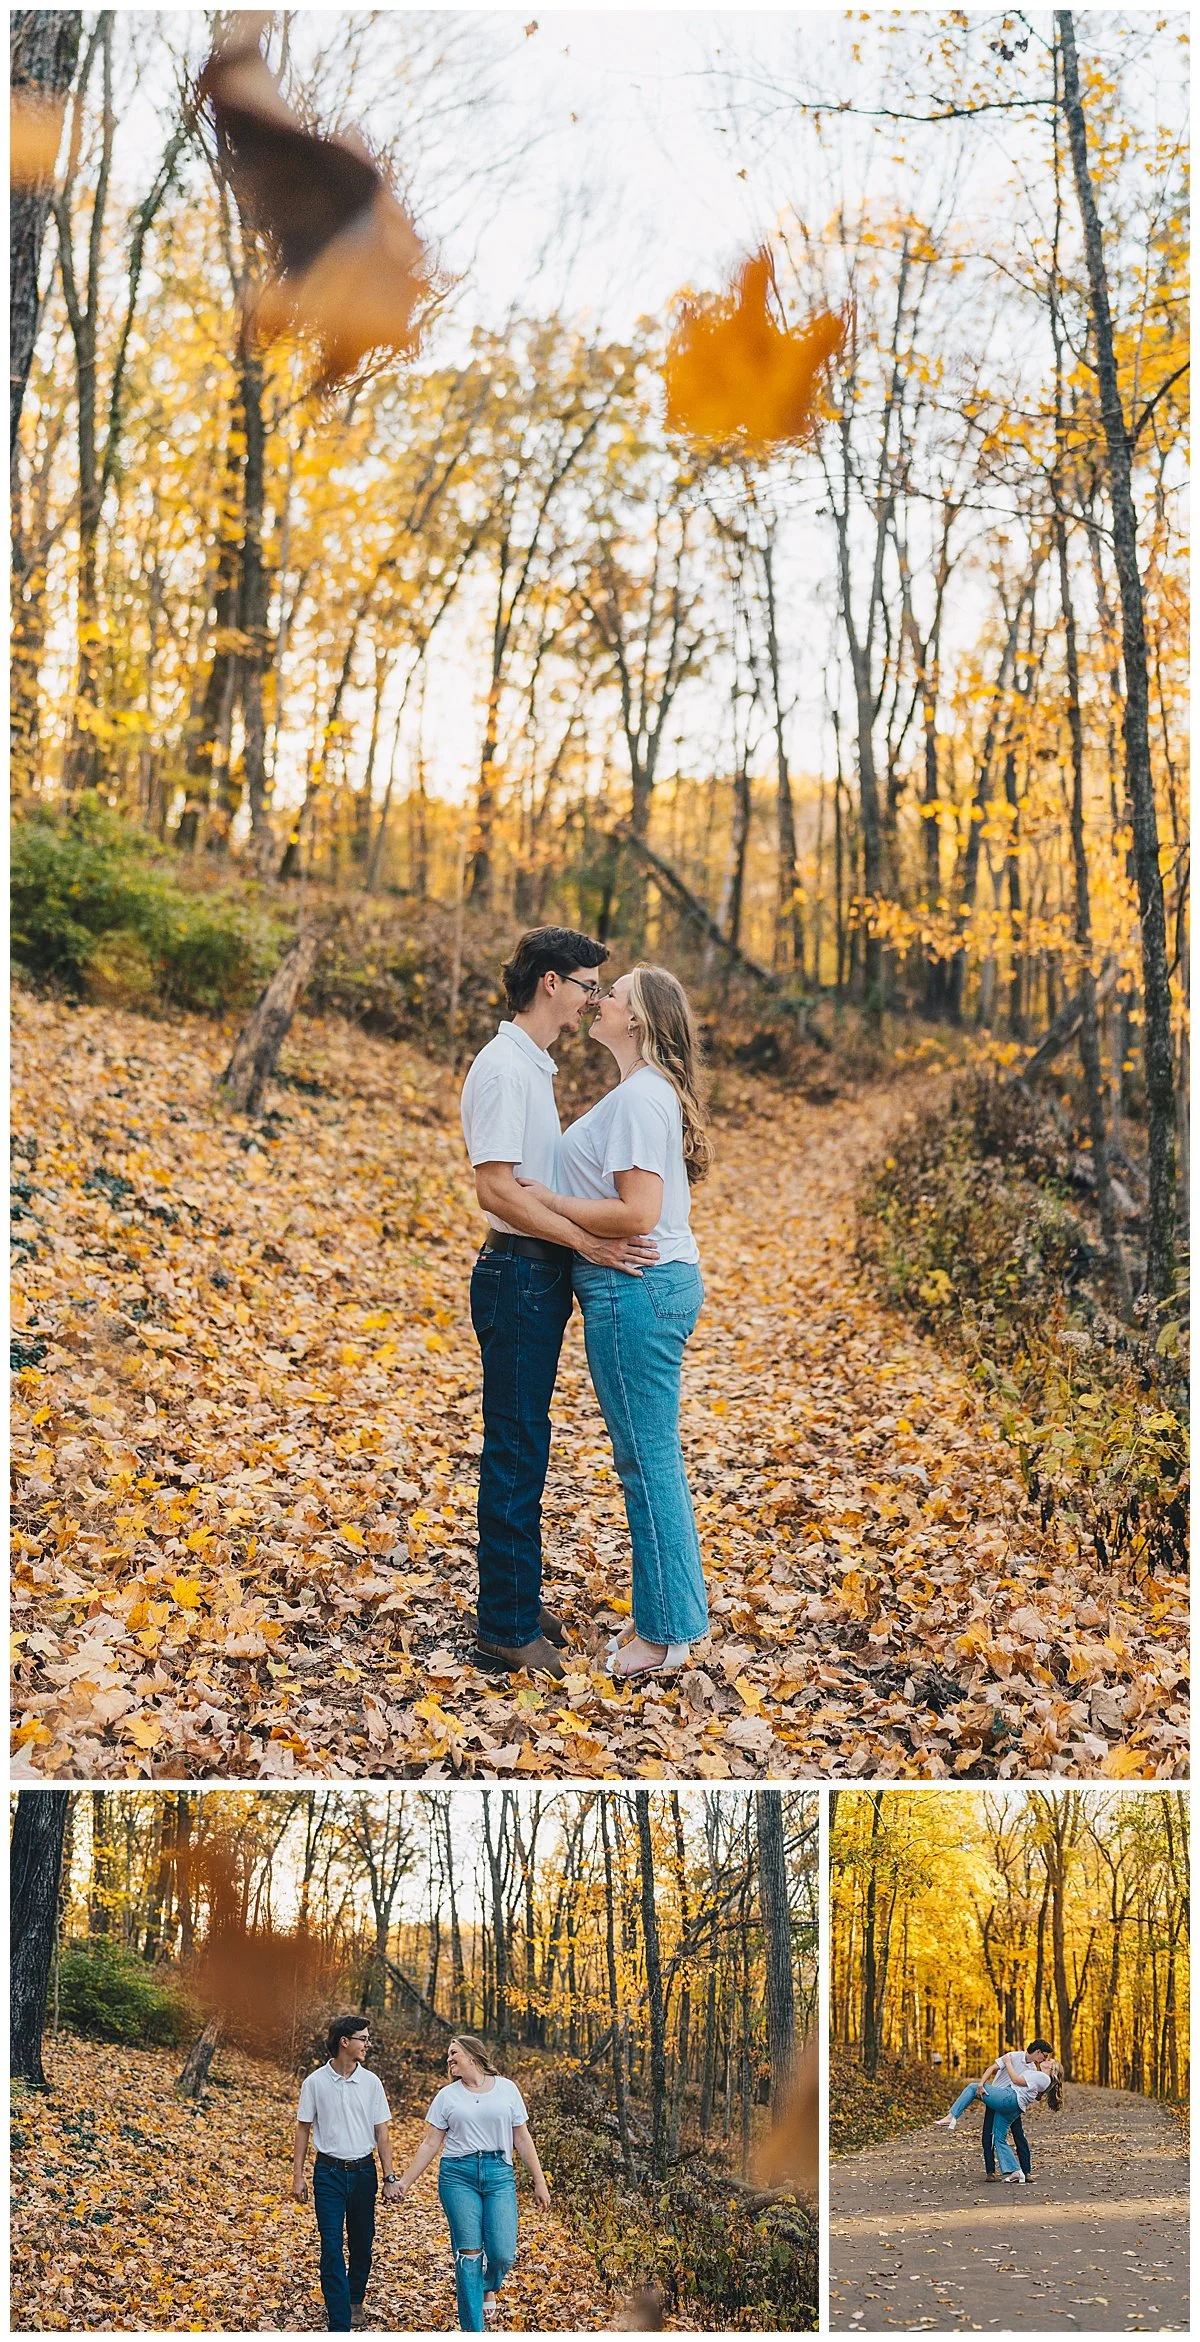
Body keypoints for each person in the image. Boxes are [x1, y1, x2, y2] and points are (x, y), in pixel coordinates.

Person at [459, 928, 658, 1683]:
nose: (590, 1001)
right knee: (514, 1448)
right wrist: (592, 1241)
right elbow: (497, 1188)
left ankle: (514, 1593)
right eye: (584, 986)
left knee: (528, 1444)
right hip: (517, 1274)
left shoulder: (528, 1066)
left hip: (536, 1273)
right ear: (550, 983)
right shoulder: (506, 1068)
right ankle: (504, 1628)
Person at [517, 965, 712, 1679]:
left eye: (614, 995)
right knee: (651, 1459)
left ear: (638, 1021)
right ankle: (674, 1622)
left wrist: (551, 1201)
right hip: (643, 1290)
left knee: (646, 1463)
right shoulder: (642, 1094)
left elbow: (637, 1214)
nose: (597, 1001)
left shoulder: (640, 1101)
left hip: (635, 1291)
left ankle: (662, 1639)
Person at [394, 2033, 550, 2333]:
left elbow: (521, 2137)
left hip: (499, 2174)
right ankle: (473, 2330)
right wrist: (405, 2182)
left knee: (503, 2252)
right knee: (469, 2254)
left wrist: (539, 2181)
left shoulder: (507, 2089)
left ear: (473, 2055)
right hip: (458, 2176)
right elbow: (430, 2143)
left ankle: (487, 2285)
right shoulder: (447, 2096)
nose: (449, 2058)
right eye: (448, 2055)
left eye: (453, 2052)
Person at [292, 2015, 401, 2332]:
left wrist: (389, 2176)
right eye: (363, 2039)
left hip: (363, 2172)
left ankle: (355, 2298)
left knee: (362, 2243)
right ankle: (339, 2320)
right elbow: (303, 2130)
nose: (368, 2044)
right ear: (344, 2041)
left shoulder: (372, 2083)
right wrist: (298, 2176)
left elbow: (383, 2134)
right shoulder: (314, 2082)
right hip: (328, 2172)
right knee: (330, 2244)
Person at [935, 2041, 1060, 2184]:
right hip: (1000, 2097)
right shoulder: (1014, 2056)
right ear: (1037, 2052)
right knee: (993, 2136)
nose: (1045, 2059)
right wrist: (982, 2084)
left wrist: (1007, 2065)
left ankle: (1026, 2171)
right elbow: (992, 2068)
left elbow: (1019, 2082)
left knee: (1018, 2136)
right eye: (1044, 2056)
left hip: (1008, 2099)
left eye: (1047, 2059)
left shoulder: (1034, 2070)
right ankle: (1000, 2172)